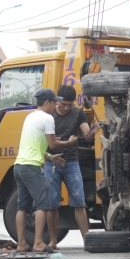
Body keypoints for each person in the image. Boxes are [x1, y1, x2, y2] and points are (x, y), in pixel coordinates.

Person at [14, 88, 77, 253]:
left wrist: (51, 158)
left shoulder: (30, 117)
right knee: (43, 205)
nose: (55, 105)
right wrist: (69, 143)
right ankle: (38, 243)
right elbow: (53, 143)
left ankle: (21, 244)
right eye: (54, 102)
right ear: (48, 102)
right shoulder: (48, 118)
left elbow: (35, 145)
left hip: (19, 166)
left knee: (22, 207)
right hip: (32, 167)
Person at [44, 85, 100, 250]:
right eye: (64, 105)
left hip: (71, 162)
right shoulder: (48, 116)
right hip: (51, 163)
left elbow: (87, 135)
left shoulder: (78, 113)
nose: (67, 108)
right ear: (57, 101)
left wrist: (94, 130)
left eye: (70, 104)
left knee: (79, 202)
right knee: (52, 204)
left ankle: (87, 241)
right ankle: (53, 241)